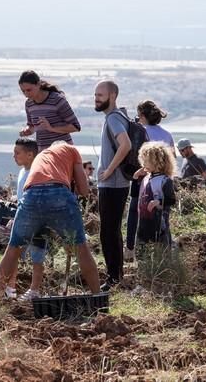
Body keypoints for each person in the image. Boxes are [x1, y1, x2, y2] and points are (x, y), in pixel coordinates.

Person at [0, 142, 101, 298]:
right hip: (58, 193)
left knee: (13, 247)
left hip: (31, 195)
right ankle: (97, 296)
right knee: (80, 247)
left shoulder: (42, 156)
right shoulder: (71, 150)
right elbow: (84, 190)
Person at [125, 100, 175, 262]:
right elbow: (172, 159)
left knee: (136, 213)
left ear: (142, 116)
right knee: (162, 216)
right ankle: (165, 250)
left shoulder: (139, 131)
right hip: (163, 179)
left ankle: (132, 248)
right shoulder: (167, 134)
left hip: (143, 177)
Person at [94, 80, 132, 291]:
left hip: (113, 184)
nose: (97, 98)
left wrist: (108, 171)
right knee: (111, 230)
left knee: (108, 231)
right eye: (96, 95)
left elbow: (125, 144)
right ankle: (116, 276)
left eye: (100, 95)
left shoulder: (114, 119)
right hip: (114, 183)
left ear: (113, 96)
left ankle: (113, 278)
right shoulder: (115, 117)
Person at [7, 138, 48, 300]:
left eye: (17, 153)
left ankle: (34, 290)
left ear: (30, 154)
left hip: (38, 219)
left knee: (37, 255)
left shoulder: (37, 172)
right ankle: (10, 287)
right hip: (23, 217)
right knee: (14, 253)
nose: (14, 156)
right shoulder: (22, 171)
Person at [18, 70, 81, 151]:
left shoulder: (57, 100)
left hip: (63, 152)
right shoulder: (29, 104)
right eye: (23, 91)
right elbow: (31, 126)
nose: (26, 94)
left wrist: (51, 128)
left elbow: (75, 127)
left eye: (29, 90)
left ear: (38, 84)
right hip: (43, 154)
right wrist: (27, 131)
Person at [134, 142, 177, 246]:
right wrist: (135, 178)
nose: (143, 164)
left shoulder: (165, 180)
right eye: (142, 161)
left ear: (156, 161)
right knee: (142, 248)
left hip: (159, 222)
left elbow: (171, 199)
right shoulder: (145, 178)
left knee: (161, 246)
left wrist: (158, 201)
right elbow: (135, 195)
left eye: (146, 161)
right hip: (143, 221)